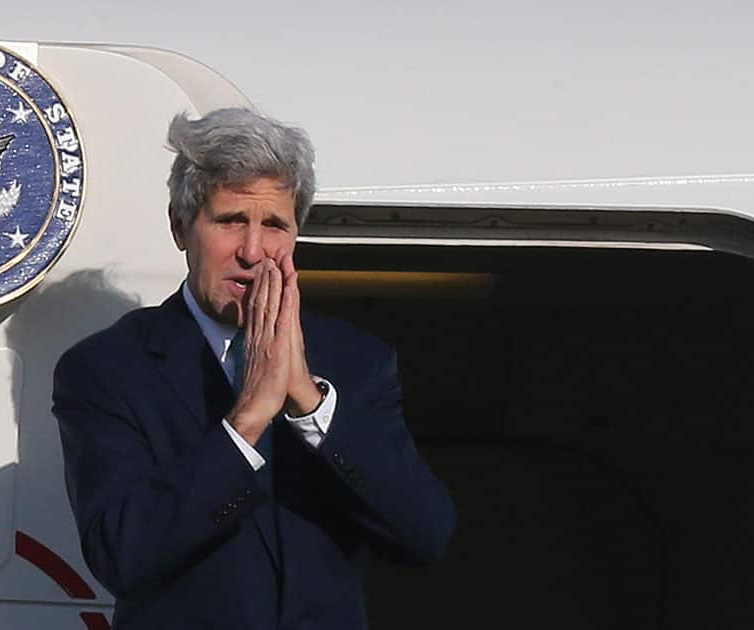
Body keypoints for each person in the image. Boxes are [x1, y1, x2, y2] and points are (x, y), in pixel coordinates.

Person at [52, 107, 455, 629]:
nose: (252, 250)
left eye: (273, 225)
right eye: (231, 221)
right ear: (180, 226)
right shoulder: (107, 369)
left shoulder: (357, 361)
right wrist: (244, 424)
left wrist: (309, 403)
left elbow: (424, 535)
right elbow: (122, 554)